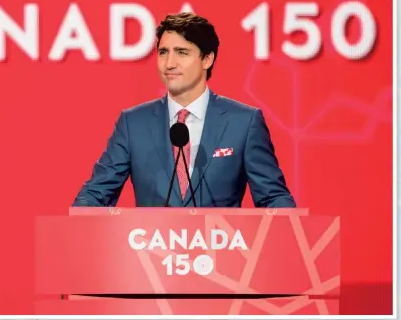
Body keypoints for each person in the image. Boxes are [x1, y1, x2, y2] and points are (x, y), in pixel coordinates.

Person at [73, 12, 296, 208]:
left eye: (181, 52)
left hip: (222, 253)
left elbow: (273, 197)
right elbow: (96, 193)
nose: (169, 63)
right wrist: (75, 220)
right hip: (149, 253)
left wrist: (292, 233)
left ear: (207, 59)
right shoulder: (133, 123)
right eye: (163, 52)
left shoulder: (244, 122)